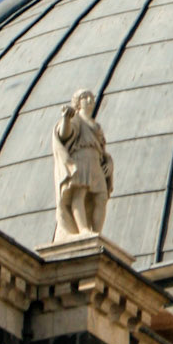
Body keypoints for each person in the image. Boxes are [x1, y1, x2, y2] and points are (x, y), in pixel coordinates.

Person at [52, 91, 114, 239]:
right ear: (78, 103)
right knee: (79, 194)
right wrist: (66, 119)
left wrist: (109, 163)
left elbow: (102, 150)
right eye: (85, 98)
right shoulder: (76, 119)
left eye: (91, 97)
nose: (90, 100)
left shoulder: (96, 126)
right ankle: (83, 229)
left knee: (101, 196)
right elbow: (64, 134)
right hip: (80, 160)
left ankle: (96, 231)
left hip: (95, 162)